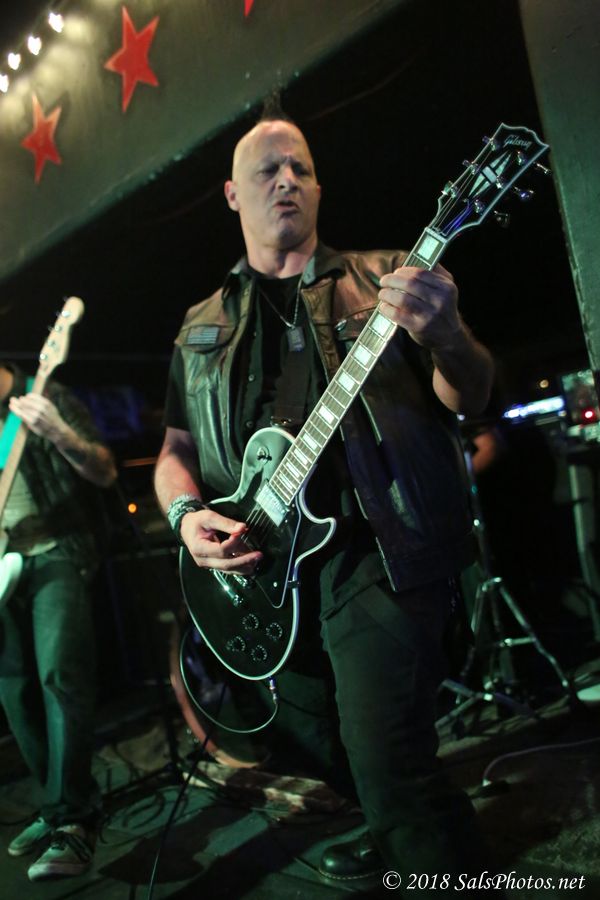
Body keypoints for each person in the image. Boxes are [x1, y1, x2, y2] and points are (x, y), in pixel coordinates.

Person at [154, 113, 496, 886]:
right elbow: (174, 452)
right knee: (319, 746)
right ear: (232, 195)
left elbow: (470, 396)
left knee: (391, 758)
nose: (288, 181)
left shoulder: (386, 278)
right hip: (266, 567)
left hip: (375, 552)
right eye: (269, 170)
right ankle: (385, 823)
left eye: (301, 169)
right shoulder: (200, 326)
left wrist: (447, 337)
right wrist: (184, 516)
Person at [0, 363, 117, 881]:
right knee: (14, 691)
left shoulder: (46, 394)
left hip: (56, 551)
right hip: (4, 564)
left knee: (59, 677)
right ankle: (55, 809)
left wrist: (58, 432)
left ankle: (75, 821)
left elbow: (105, 471)